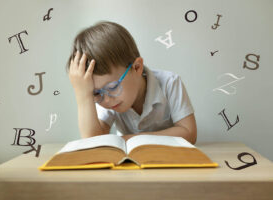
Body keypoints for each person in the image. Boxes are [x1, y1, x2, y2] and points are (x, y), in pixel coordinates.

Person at [66, 21, 197, 144]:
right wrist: (83, 95)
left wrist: (129, 139)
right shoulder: (104, 96)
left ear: (137, 67)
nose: (106, 100)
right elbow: (93, 142)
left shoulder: (170, 82)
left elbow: (189, 133)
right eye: (95, 93)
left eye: (113, 87)